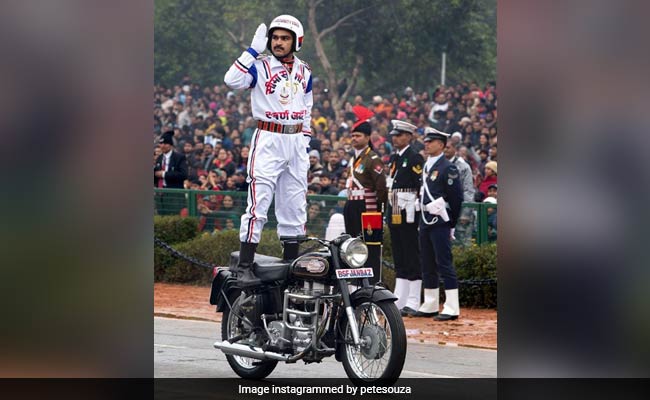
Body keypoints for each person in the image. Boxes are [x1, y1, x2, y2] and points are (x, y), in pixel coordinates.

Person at [224, 14, 313, 287]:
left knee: (295, 206)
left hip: (296, 140)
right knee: (259, 201)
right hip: (269, 137)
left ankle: (290, 266)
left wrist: (306, 138)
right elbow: (231, 80)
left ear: (296, 42)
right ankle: (245, 265)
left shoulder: (305, 71)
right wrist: (252, 50)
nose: (278, 42)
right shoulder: (259, 67)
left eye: (284, 38)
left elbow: (307, 105)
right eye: (275, 38)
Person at [416, 127, 463, 321]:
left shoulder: (447, 167)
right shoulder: (427, 165)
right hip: (425, 219)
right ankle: (431, 302)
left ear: (441, 145)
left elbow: (456, 197)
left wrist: (451, 221)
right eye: (426, 141)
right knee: (427, 262)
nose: (426, 144)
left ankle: (452, 306)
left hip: (440, 220)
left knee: (444, 262)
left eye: (431, 141)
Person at [343, 106, 387, 284]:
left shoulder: (373, 159)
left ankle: (372, 282)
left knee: (370, 247)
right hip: (352, 204)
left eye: (358, 136)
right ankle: (355, 283)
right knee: (352, 245)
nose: (354, 139)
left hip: (367, 207)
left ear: (367, 138)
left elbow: (381, 188)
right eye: (353, 136)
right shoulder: (354, 159)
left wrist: (377, 210)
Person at [385, 120, 424, 316]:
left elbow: (419, 185)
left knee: (411, 253)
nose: (395, 138)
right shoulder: (394, 158)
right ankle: (400, 296)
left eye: (399, 135)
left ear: (409, 136)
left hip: (408, 209)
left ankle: (414, 299)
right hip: (395, 207)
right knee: (399, 253)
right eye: (394, 135)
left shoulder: (415, 157)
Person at [154, 131, 188, 215]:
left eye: (165, 143)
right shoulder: (159, 158)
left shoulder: (179, 157)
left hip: (174, 196)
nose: (162, 146)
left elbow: (184, 174)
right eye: (161, 144)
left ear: (171, 145)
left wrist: (164, 174)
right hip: (161, 195)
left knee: (174, 219)